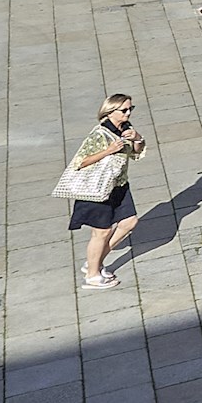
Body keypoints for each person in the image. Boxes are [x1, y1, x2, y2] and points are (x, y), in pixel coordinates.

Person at [62, 91, 146, 288]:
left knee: (129, 222)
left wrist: (137, 138)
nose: (128, 114)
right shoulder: (99, 134)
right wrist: (108, 151)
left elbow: (136, 152)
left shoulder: (125, 128)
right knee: (101, 232)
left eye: (130, 109)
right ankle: (92, 275)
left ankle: (94, 262)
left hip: (119, 186)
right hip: (97, 189)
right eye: (124, 110)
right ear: (110, 111)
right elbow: (79, 162)